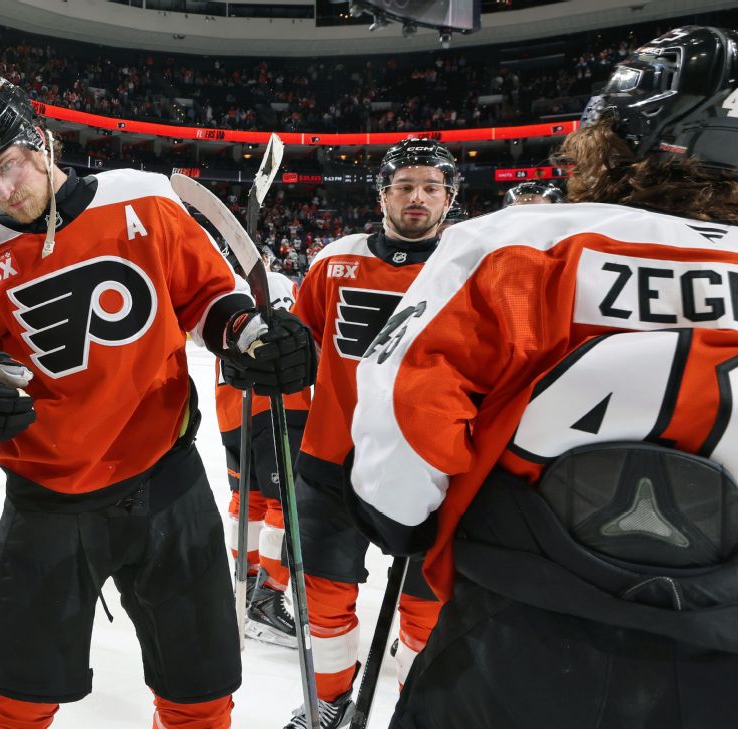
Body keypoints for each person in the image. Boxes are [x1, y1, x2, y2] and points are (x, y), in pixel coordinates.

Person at [350, 26, 738, 729]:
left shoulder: (519, 241)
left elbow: (406, 402)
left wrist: (400, 517)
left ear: (618, 138)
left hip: (519, 623)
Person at [0, 73, 313, 729]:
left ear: (39, 140)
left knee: (200, 695)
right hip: (47, 497)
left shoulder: (143, 197)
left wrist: (250, 334)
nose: (1, 190)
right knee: (14, 701)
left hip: (166, 478)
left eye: (7, 165)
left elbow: (208, 297)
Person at [285, 139, 454, 728]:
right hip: (333, 459)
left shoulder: (472, 261)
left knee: (428, 608)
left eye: (431, 187)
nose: (417, 197)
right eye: (404, 186)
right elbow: (300, 343)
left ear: (449, 198)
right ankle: (329, 698)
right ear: (382, 195)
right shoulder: (336, 259)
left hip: (435, 466)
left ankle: (416, 707)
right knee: (321, 592)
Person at [214, 265, 309, 648]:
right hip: (276, 403)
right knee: (285, 503)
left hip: (231, 407)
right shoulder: (279, 283)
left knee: (247, 500)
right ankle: (266, 599)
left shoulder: (222, 285)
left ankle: (246, 586)